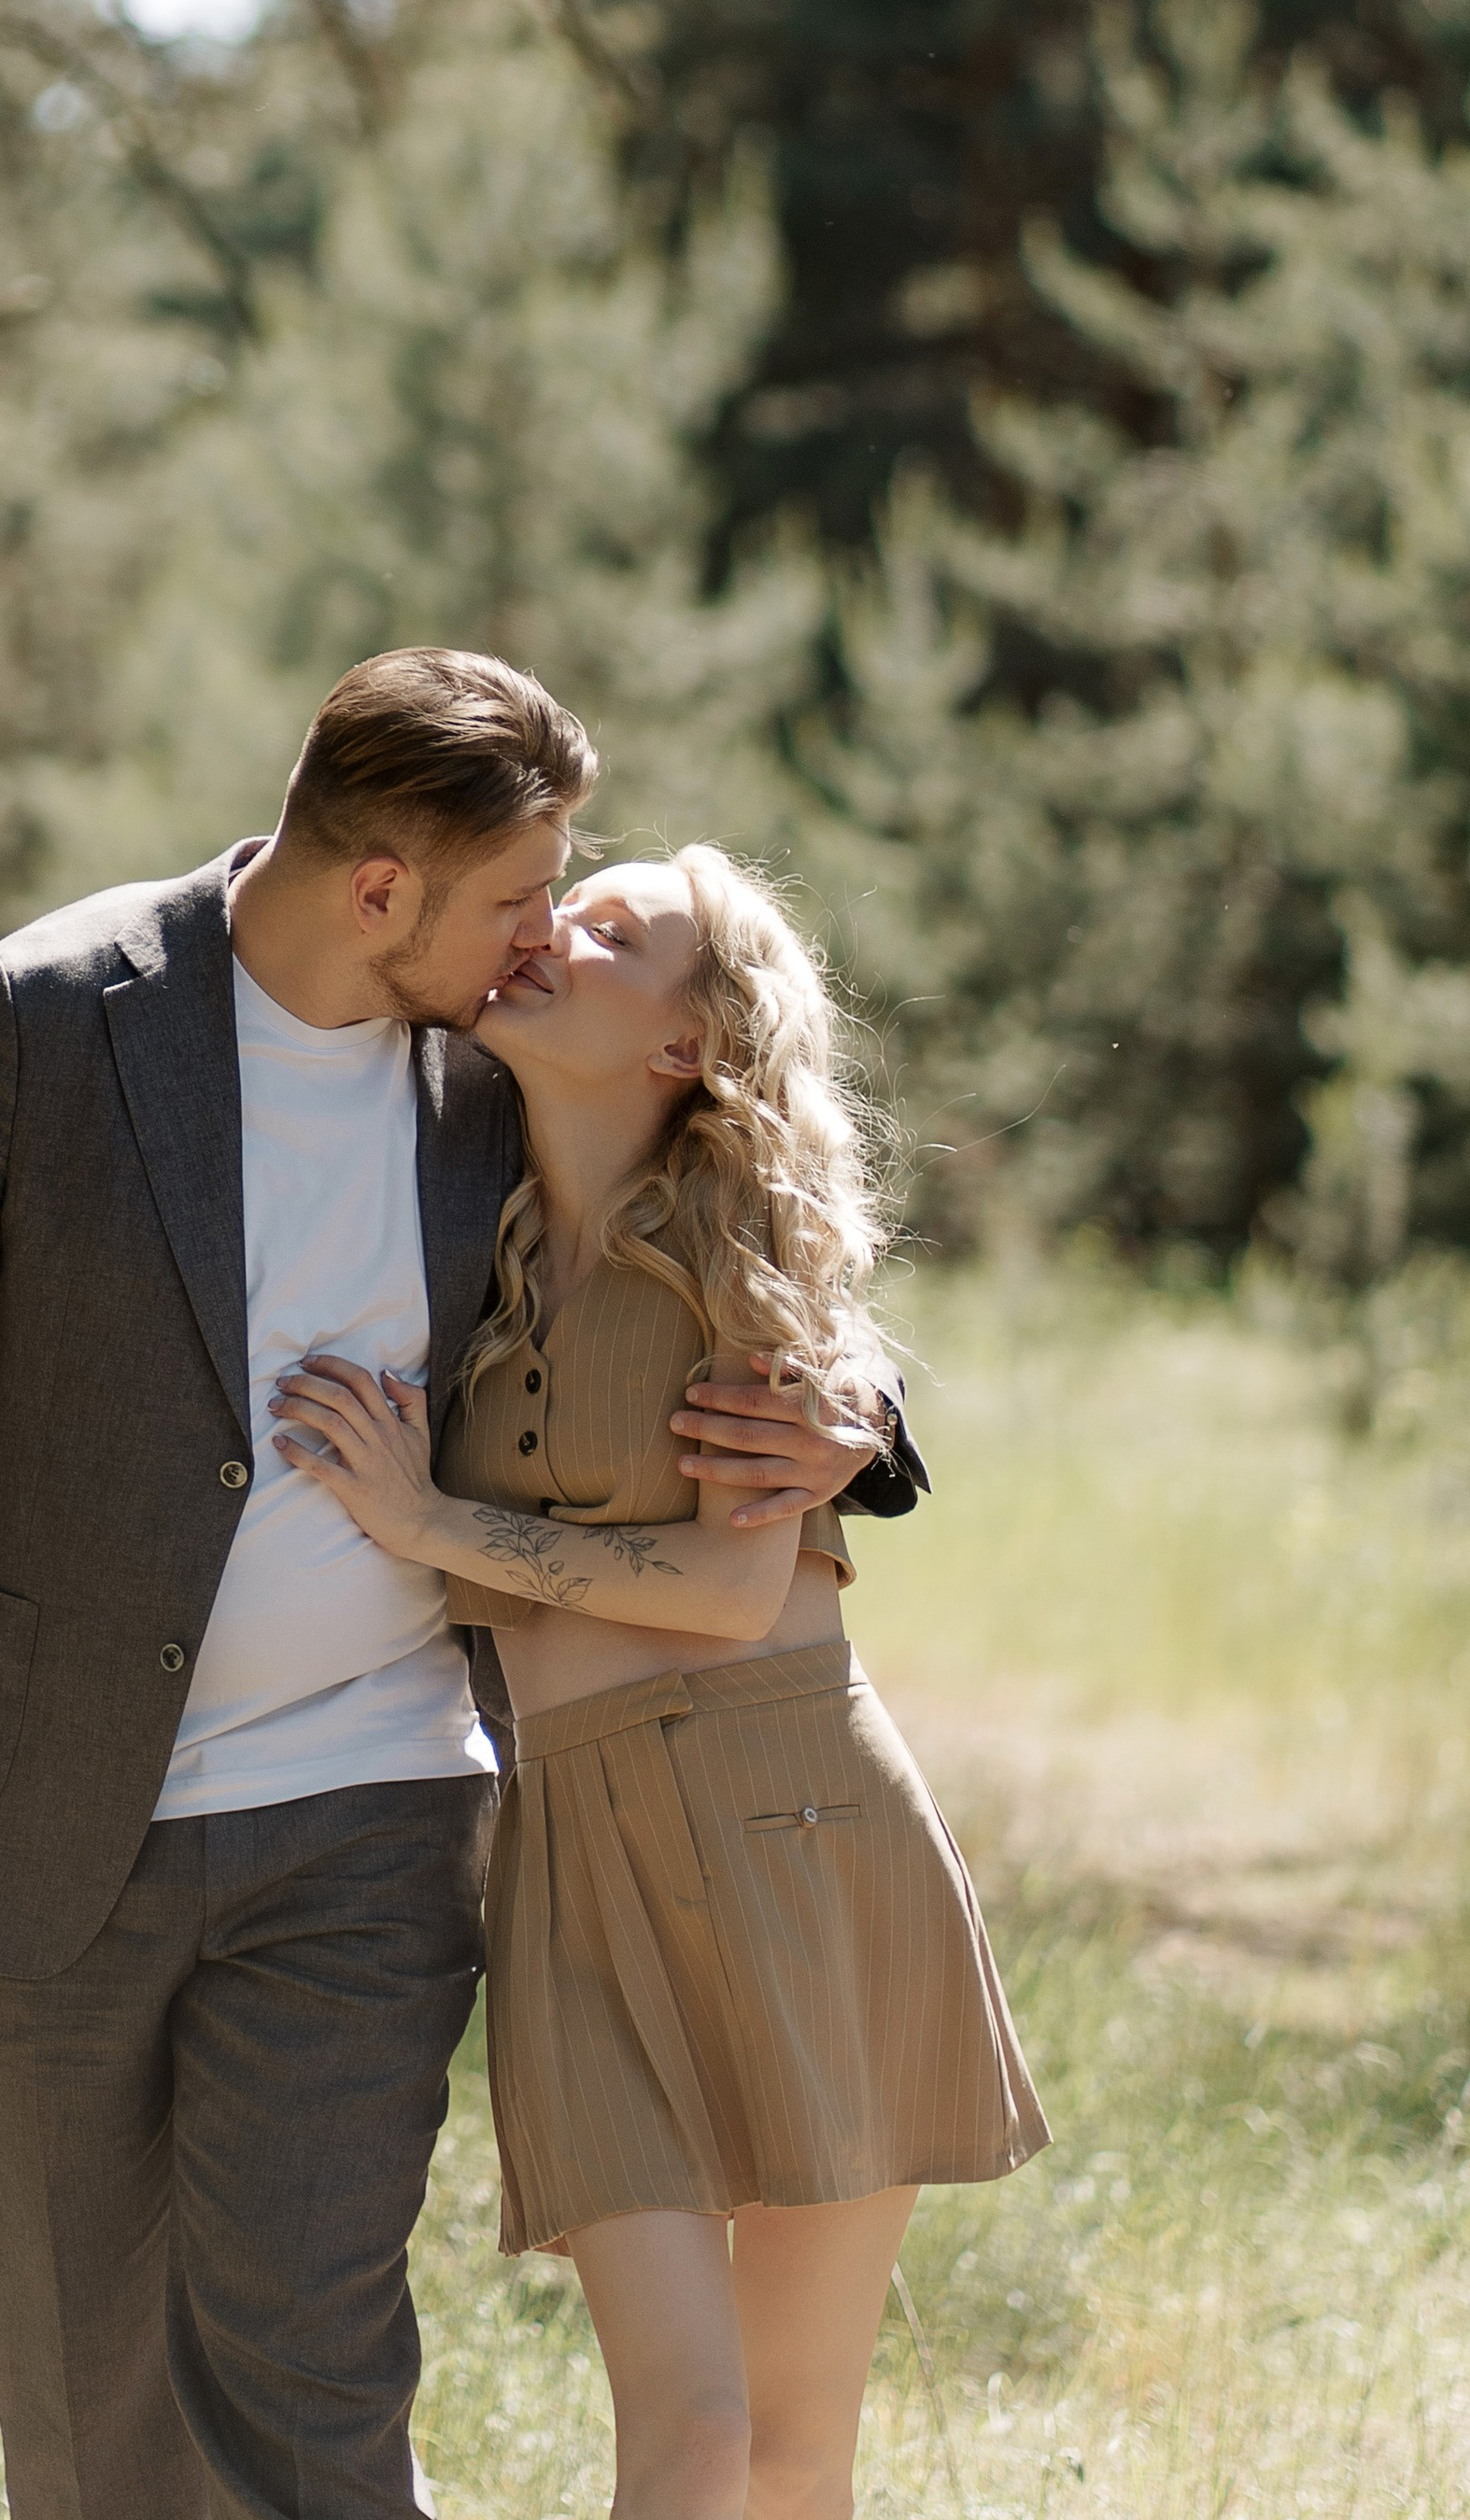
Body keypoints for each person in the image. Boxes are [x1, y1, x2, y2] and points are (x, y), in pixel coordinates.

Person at [0, 661, 910, 2520]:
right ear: (376, 891)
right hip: (33, 1820)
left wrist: (863, 1417)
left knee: (308, 2384)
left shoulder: (490, 1066)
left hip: (370, 1820)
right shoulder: (34, 1026)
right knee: (95, 2424)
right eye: (514, 899)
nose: (535, 943)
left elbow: (749, 1188)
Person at [274, 846, 1044, 2520]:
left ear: (688, 1044)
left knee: (777, 2452)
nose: (556, 933)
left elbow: (722, 1586)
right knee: (685, 2430)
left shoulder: (745, 1230)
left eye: (616, 935)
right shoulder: (456, 1219)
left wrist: (427, 1519)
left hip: (796, 1827)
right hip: (569, 1857)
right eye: (560, 909)